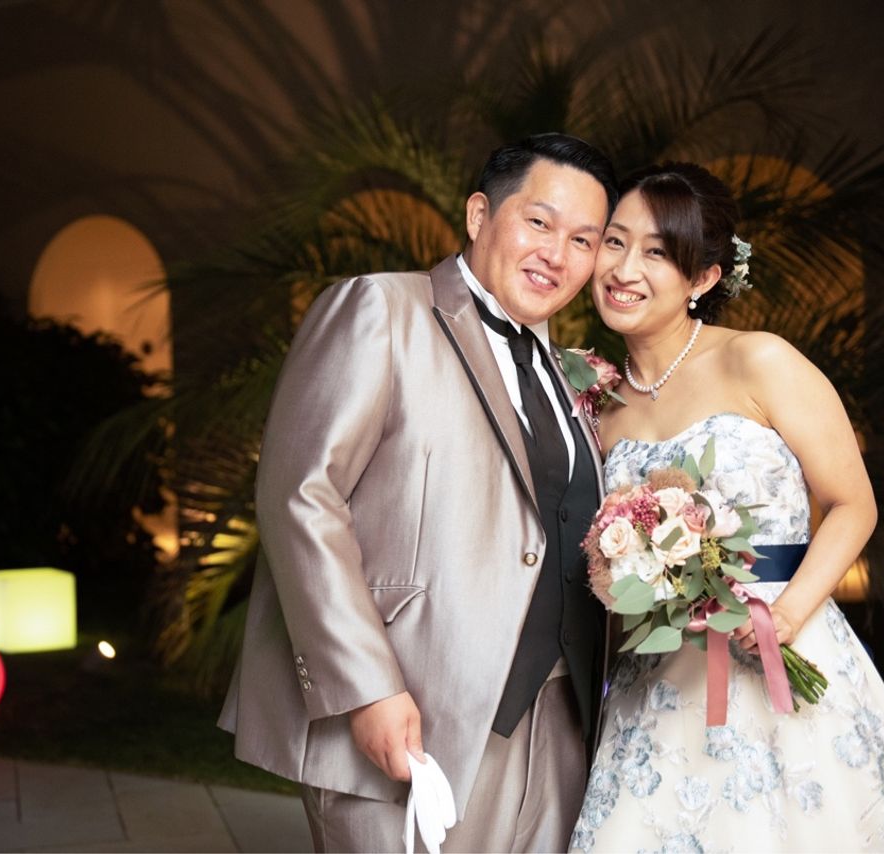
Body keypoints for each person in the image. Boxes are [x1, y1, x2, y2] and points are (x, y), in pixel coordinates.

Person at [217, 133, 616, 852]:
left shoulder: (564, 372)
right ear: (478, 215)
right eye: (539, 222)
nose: (558, 254)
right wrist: (365, 686)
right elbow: (301, 496)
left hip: (559, 722)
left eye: (583, 240)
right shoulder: (381, 308)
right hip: (411, 712)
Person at [570, 162, 884, 852]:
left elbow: (853, 503)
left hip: (778, 639)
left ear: (704, 278)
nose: (624, 269)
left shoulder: (758, 361)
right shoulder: (601, 411)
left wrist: (788, 613)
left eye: (657, 252)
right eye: (615, 242)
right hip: (660, 678)